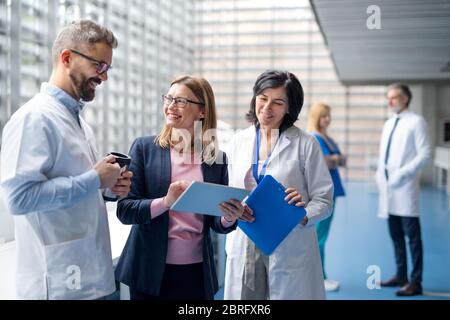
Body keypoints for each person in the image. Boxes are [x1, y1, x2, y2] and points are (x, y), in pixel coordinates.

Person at [0, 20, 132, 299]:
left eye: (108, 68)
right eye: (100, 66)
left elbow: (77, 187)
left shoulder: (81, 124)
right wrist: (93, 179)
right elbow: (19, 199)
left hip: (87, 276)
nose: (104, 77)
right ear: (67, 57)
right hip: (57, 283)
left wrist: (108, 187)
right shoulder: (33, 119)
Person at [114, 75, 252, 300]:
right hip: (148, 271)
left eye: (181, 101)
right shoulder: (144, 148)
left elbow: (215, 222)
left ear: (202, 111)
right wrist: (166, 202)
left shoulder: (215, 159)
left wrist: (229, 217)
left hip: (195, 273)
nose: (171, 106)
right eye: (168, 98)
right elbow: (125, 210)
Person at [223, 70, 334, 300]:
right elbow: (227, 190)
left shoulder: (305, 144)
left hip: (289, 238)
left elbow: (324, 199)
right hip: (246, 238)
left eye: (278, 102)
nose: (267, 107)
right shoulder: (237, 141)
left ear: (289, 108)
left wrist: (303, 213)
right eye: (262, 98)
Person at [376, 83, 431, 296]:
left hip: (405, 187)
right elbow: (385, 155)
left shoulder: (416, 122)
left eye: (394, 97)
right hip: (388, 190)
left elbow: (424, 154)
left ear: (406, 98)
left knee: (413, 238)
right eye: (388, 97)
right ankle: (401, 275)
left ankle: (416, 281)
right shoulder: (389, 123)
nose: (390, 101)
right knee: (396, 236)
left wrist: (401, 174)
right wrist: (380, 175)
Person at [307, 102, 346, 292]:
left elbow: (340, 160)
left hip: (333, 191)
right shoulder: (315, 138)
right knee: (319, 237)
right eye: (324, 116)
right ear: (316, 117)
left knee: (322, 235)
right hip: (323, 193)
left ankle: (319, 274)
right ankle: (320, 276)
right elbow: (325, 163)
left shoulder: (327, 138)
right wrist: (335, 159)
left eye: (329, 115)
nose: (327, 119)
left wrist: (335, 159)